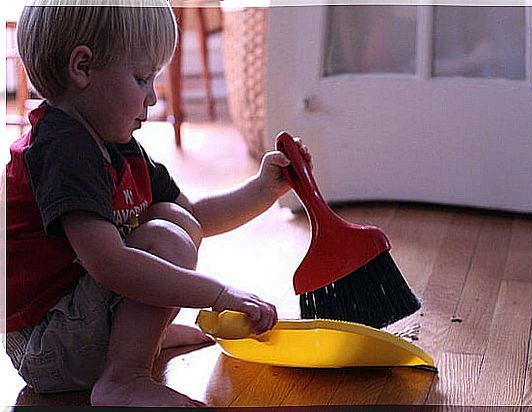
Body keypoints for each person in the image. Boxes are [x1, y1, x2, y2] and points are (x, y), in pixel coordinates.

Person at [4, 0, 311, 407]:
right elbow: (109, 264)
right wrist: (219, 294)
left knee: (172, 219)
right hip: (49, 345)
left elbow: (193, 216)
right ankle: (123, 377)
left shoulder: (115, 144)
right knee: (166, 238)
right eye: (142, 78)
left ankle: (134, 342)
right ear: (82, 69)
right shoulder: (64, 149)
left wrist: (263, 190)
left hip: (76, 322)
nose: (152, 98)